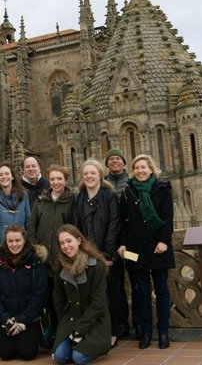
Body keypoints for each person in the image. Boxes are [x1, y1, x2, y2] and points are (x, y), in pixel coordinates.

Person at [117, 154, 175, 349]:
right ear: (133, 171)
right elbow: (123, 222)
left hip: (158, 248)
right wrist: (122, 244)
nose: (141, 171)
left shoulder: (163, 188)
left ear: (151, 169)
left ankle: (164, 331)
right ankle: (146, 332)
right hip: (136, 250)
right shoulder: (127, 192)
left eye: (144, 167)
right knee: (140, 292)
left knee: (162, 291)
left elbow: (167, 218)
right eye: (137, 168)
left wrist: (164, 241)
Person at [68, 159, 121, 347]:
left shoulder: (109, 195)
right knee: (91, 294)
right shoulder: (79, 197)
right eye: (85, 174)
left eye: (93, 173)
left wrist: (107, 254)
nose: (89, 176)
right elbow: (76, 227)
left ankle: (113, 330)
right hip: (86, 254)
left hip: (105, 254)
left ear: (100, 175)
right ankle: (93, 330)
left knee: (111, 293)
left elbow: (114, 225)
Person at [27, 164, 73, 347]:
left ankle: (63, 333)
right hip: (43, 261)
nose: (55, 182)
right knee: (44, 298)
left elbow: (75, 228)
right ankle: (48, 332)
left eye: (59, 179)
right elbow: (31, 226)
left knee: (61, 299)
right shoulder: (41, 201)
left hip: (63, 261)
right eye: (52, 179)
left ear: (65, 180)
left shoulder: (72, 201)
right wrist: (36, 248)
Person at [52, 224, 111, 365]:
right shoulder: (60, 266)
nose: (66, 246)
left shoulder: (97, 267)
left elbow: (98, 303)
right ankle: (75, 344)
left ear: (79, 240)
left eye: (69, 240)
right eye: (62, 243)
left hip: (94, 321)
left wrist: (80, 329)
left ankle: (92, 348)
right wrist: (64, 323)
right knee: (59, 357)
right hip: (71, 319)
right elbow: (58, 299)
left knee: (78, 358)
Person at [0, 224, 48, 361]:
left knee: (27, 353)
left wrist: (22, 320)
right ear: (5, 242)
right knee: (5, 354)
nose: (14, 244)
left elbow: (40, 295)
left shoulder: (35, 262)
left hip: (29, 319)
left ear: (24, 240)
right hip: (7, 318)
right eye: (10, 241)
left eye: (18, 240)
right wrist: (5, 318)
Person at [103, 149, 131, 340]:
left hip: (131, 243)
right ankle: (119, 324)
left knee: (138, 282)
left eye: (118, 159)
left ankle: (137, 323)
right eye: (111, 159)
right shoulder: (103, 184)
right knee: (116, 284)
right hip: (113, 244)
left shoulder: (131, 183)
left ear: (123, 163)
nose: (114, 162)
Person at [0, 162, 30, 241]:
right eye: (0, 175)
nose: (4, 176)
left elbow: (28, 221)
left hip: (20, 242)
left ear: (12, 177)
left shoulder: (23, 195)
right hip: (1, 242)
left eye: (7, 173)